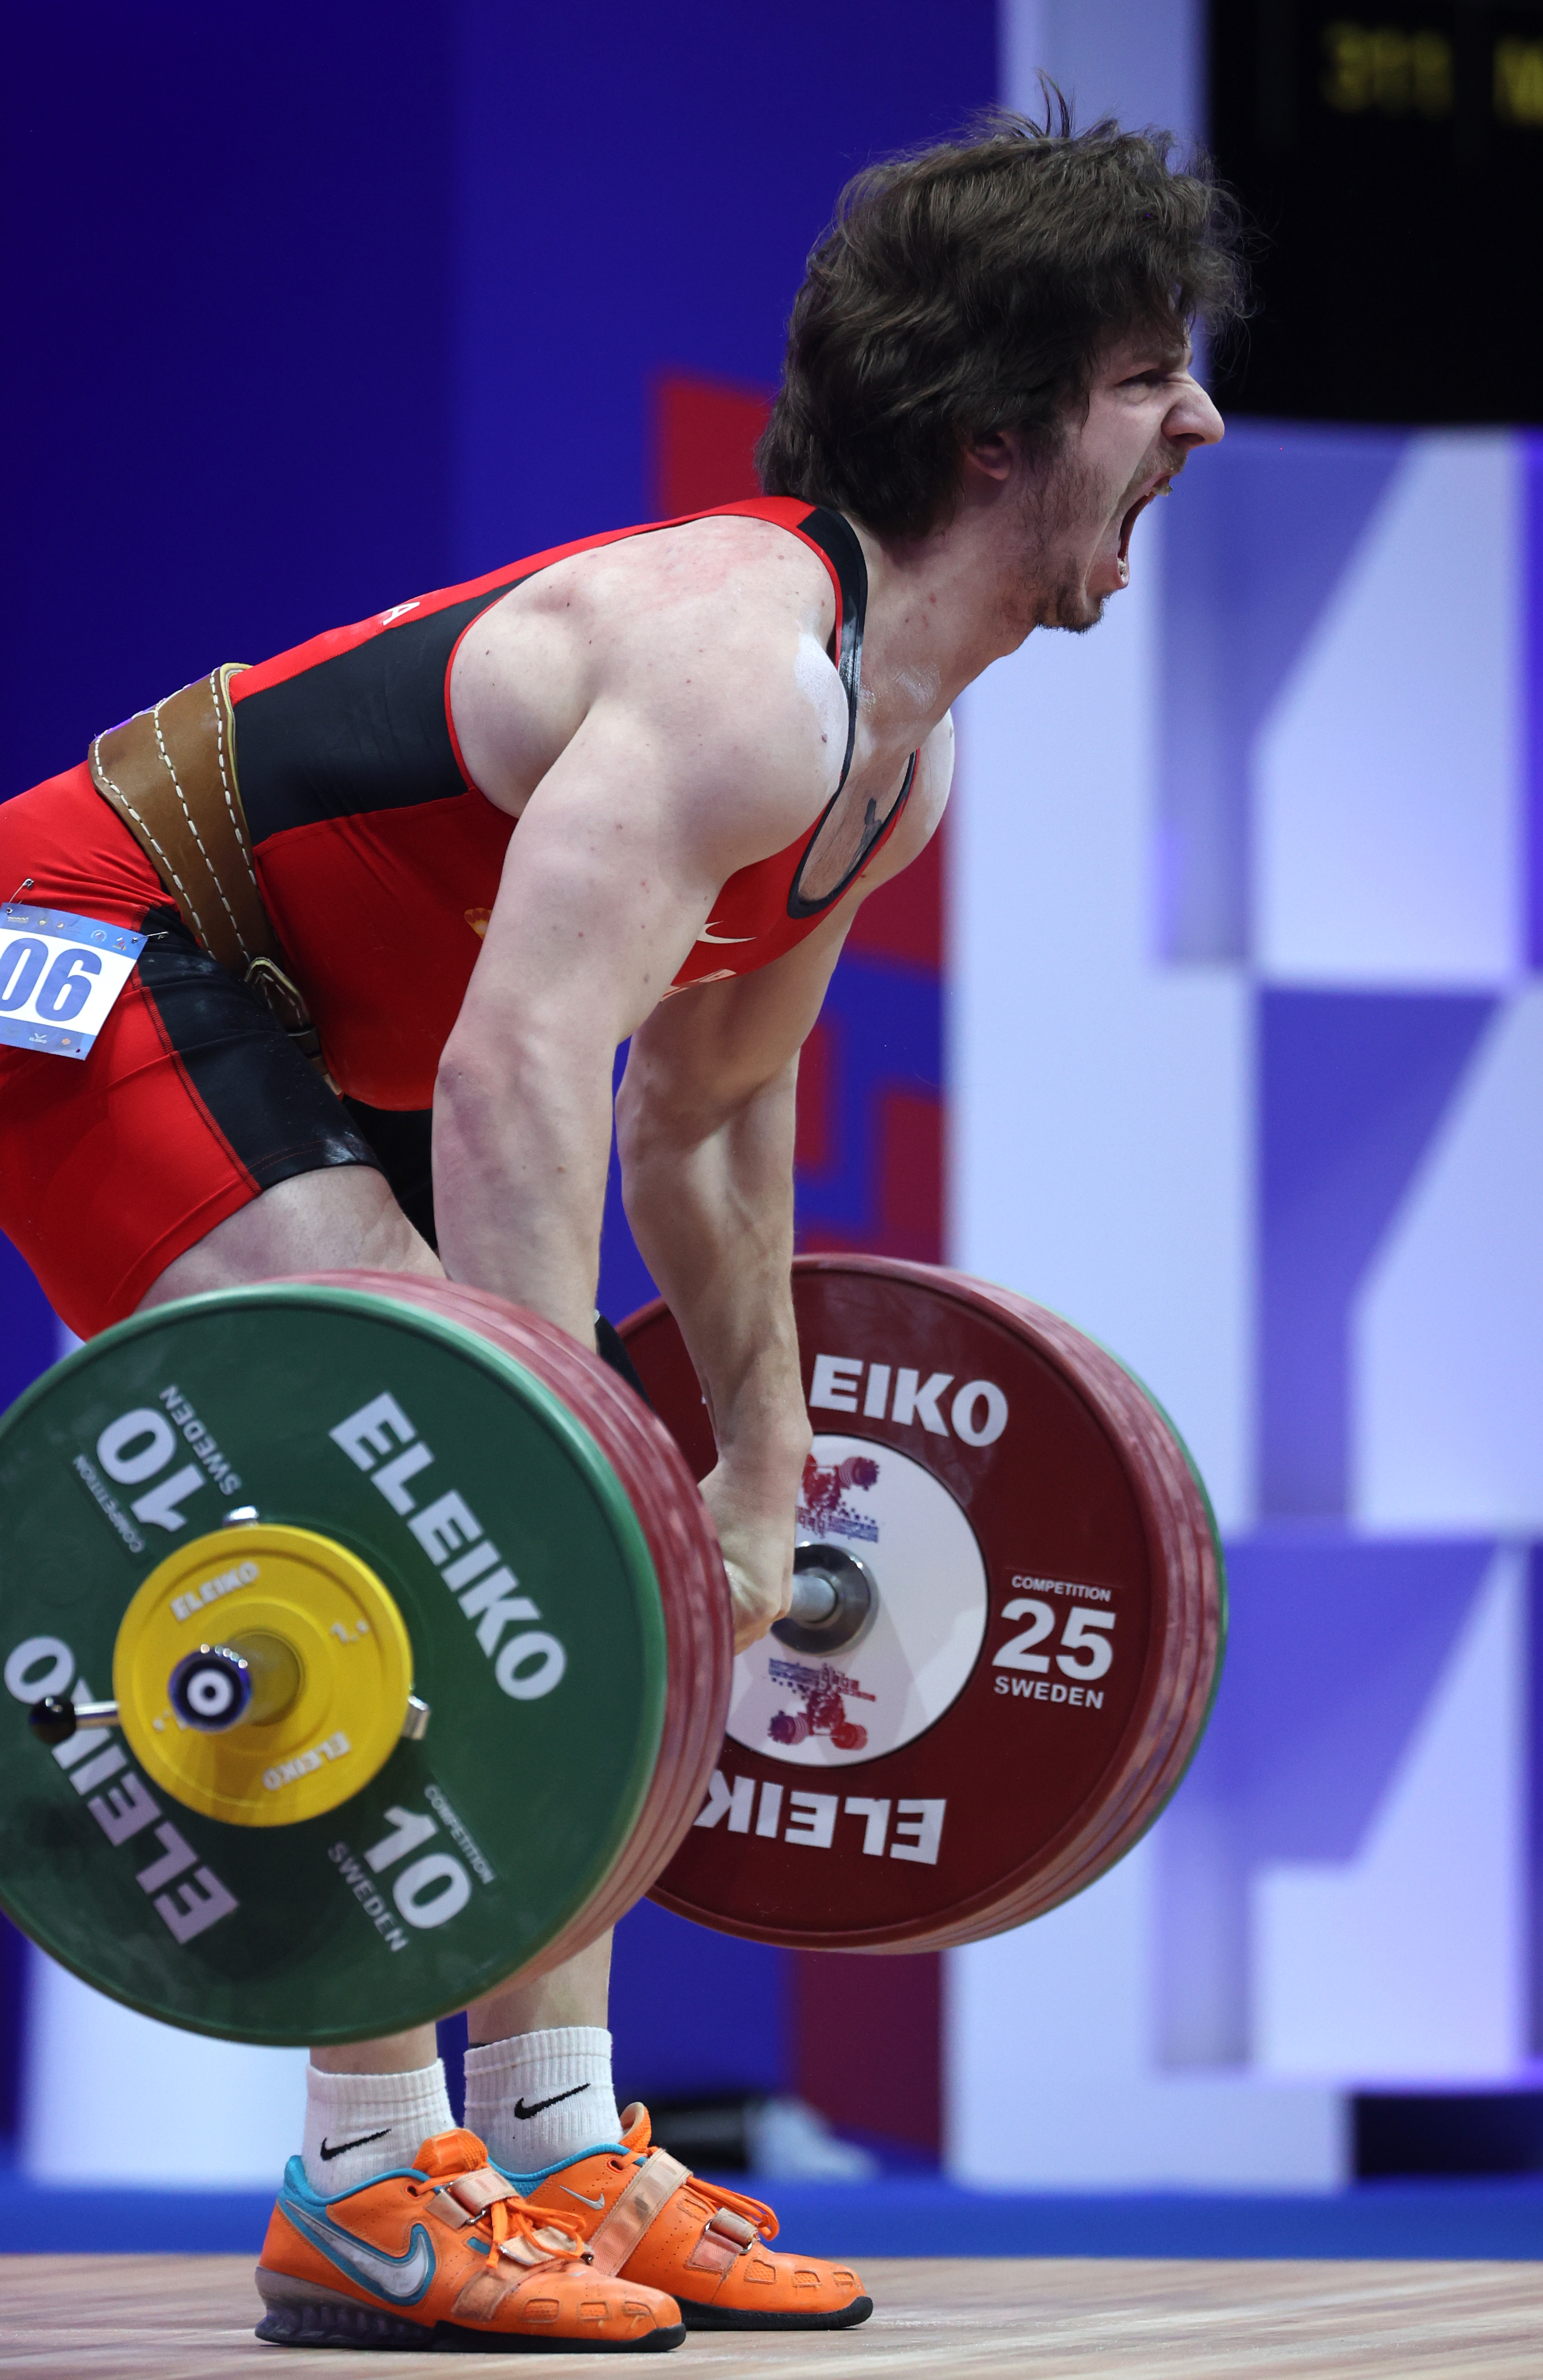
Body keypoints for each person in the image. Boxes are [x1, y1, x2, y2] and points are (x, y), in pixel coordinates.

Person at [0, 104, 1237, 2350]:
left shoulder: (894, 751)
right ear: (994, 433)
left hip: (320, 1027)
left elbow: (712, 1111)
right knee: (439, 1489)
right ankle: (368, 2178)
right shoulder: (735, 668)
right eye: (1148, 374)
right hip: (97, 943)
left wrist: (758, 1467)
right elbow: (518, 1073)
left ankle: (561, 2140)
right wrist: (557, 1476)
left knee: (580, 1520)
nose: (1201, 420)